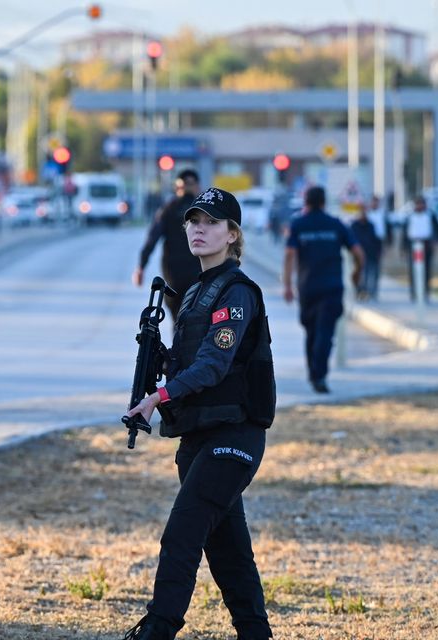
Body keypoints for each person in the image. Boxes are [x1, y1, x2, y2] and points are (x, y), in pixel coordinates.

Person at [123, 187, 276, 640]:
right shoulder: (194, 293)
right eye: (193, 221)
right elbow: (191, 362)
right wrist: (158, 357)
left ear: (232, 234)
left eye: (211, 222)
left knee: (183, 535)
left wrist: (158, 398)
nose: (198, 229)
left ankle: (159, 626)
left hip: (233, 436)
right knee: (230, 556)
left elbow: (214, 364)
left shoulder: (236, 292)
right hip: (197, 439)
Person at [282, 185, 364, 393]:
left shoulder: (298, 224)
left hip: (308, 287)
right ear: (324, 202)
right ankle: (319, 375)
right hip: (332, 286)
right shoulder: (336, 224)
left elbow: (290, 255)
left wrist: (287, 286)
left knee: (311, 332)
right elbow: (358, 253)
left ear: (306, 202)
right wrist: (357, 273)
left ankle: (314, 373)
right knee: (325, 333)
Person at [134, 169, 202, 320]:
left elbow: (151, 239)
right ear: (198, 187)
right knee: (197, 317)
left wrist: (141, 267)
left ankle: (179, 341)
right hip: (196, 273)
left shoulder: (168, 209)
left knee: (178, 318)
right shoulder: (204, 211)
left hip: (175, 274)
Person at [402, 195, 438, 302]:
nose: (420, 206)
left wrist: (436, 242)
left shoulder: (431, 216)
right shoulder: (410, 217)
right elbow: (404, 234)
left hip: (426, 245)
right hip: (413, 245)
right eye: (418, 204)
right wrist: (403, 248)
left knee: (426, 270)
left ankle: (425, 292)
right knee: (413, 270)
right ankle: (414, 293)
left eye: (422, 204)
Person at [349, 204, 384, 301]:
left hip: (370, 253)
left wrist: (378, 251)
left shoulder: (371, 225)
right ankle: (359, 292)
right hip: (358, 256)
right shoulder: (354, 226)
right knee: (359, 275)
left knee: (370, 274)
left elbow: (376, 240)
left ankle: (369, 293)